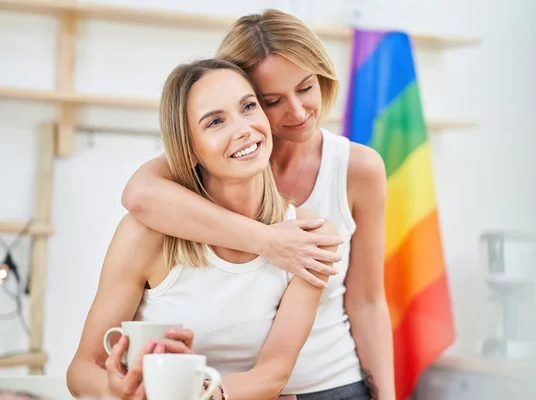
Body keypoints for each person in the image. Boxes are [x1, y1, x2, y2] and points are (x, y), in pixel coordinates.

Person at [121, 8, 395, 400]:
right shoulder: (220, 157)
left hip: (331, 385)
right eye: (271, 100)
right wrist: (270, 241)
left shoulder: (358, 169)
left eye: (306, 88)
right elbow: (138, 196)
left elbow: (367, 301)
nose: (298, 113)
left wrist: (386, 396)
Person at [66, 58, 341, 400]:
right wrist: (117, 393)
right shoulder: (144, 235)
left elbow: (273, 375)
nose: (243, 129)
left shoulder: (310, 237)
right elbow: (82, 369)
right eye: (215, 122)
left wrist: (197, 394)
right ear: (190, 150)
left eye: (249, 107)